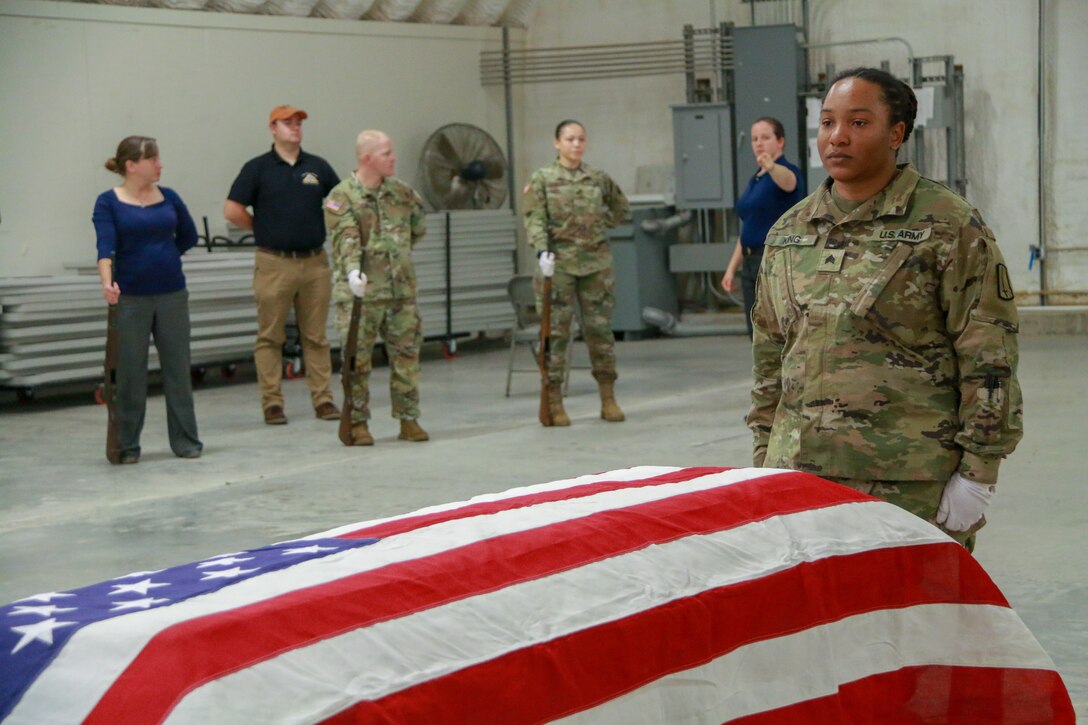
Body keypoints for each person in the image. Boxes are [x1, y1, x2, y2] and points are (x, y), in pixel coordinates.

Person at [748, 67, 1023, 551]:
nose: (837, 137)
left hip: (909, 482)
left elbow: (988, 353)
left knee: (917, 621)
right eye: (827, 122)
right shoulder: (790, 231)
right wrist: (764, 454)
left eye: (858, 123)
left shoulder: (947, 223)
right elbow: (771, 352)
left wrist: (979, 470)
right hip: (801, 473)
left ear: (896, 134)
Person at [224, 105, 341, 426]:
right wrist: (263, 228)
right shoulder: (258, 169)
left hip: (315, 262)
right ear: (272, 128)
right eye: (287, 123)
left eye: (298, 123)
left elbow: (337, 200)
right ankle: (272, 403)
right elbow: (232, 209)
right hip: (274, 263)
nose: (295, 128)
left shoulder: (315, 167)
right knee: (270, 335)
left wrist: (332, 212)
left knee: (316, 336)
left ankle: (324, 399)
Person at [93, 136, 203, 464]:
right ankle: (126, 445)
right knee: (129, 373)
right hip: (131, 299)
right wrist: (107, 282)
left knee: (178, 369)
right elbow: (104, 247)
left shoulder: (169, 197)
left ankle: (186, 441)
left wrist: (164, 255)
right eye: (153, 158)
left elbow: (189, 236)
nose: (160, 164)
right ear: (131, 165)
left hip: (171, 294)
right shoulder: (108, 202)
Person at [323, 130, 429, 446]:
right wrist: (354, 269)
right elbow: (345, 238)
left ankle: (408, 419)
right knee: (358, 361)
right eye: (386, 153)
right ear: (366, 158)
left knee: (407, 357)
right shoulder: (341, 197)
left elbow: (417, 230)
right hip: (362, 294)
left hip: (400, 292)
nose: (393, 157)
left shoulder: (403, 193)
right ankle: (356, 423)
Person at [523, 119, 630, 426]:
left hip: (596, 265)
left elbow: (621, 209)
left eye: (581, 139)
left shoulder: (596, 178)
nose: (576, 144)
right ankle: (554, 401)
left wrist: (598, 226)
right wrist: (542, 249)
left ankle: (608, 397)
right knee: (555, 335)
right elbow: (534, 217)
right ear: (557, 143)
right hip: (559, 266)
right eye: (569, 139)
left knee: (600, 333)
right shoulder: (542, 178)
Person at [721, 117, 805, 337]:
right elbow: (748, 227)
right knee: (756, 329)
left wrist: (771, 166)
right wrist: (731, 268)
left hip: (774, 259)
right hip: (750, 262)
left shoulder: (785, 171)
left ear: (780, 141)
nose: (759, 143)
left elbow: (790, 183)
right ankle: (763, 371)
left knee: (777, 327)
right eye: (754, 139)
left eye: (765, 137)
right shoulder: (755, 179)